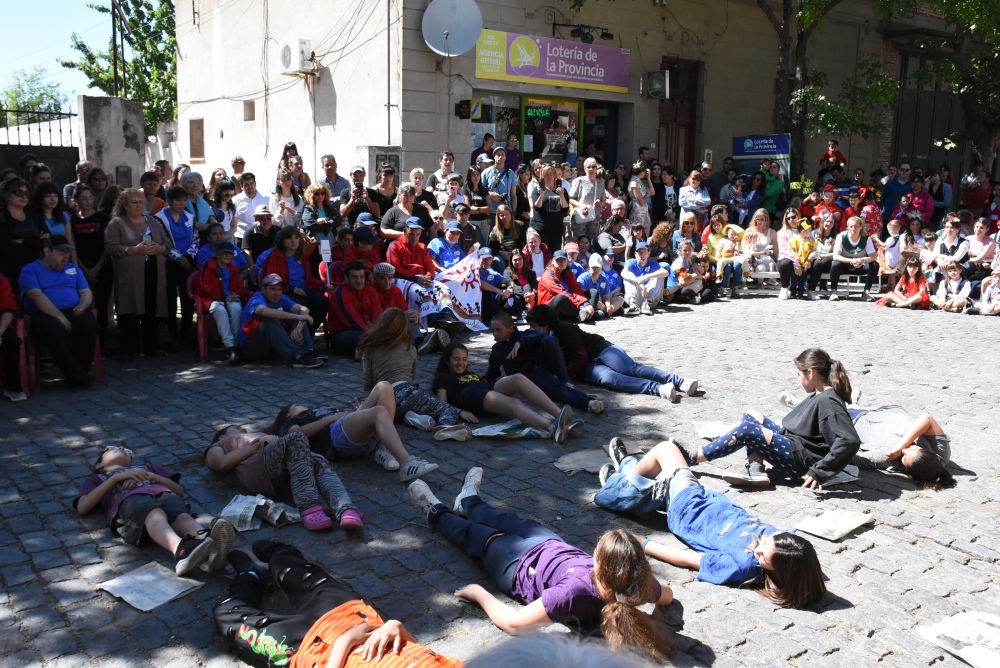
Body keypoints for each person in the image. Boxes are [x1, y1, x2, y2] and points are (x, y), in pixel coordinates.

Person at [406, 474, 672, 661]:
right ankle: (468, 500)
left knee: (474, 533)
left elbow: (514, 624)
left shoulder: (572, 593)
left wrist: (478, 593)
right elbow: (668, 595)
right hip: (548, 544)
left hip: (517, 564)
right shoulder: (637, 585)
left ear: (599, 565)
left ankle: (435, 511)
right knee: (501, 518)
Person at [594, 439, 826, 608]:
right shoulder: (786, 544)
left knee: (666, 449)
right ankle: (626, 475)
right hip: (709, 499)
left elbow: (687, 559)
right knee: (658, 467)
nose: (757, 549)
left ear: (776, 571)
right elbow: (802, 563)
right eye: (766, 540)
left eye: (762, 557)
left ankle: (621, 481)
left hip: (688, 510)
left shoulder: (741, 565)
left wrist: (641, 542)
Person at [213, 540, 461, 668]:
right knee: (287, 566)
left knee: (225, 614)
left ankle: (251, 575)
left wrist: (345, 642)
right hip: (349, 618)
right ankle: (278, 554)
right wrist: (398, 628)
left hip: (306, 651)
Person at [679, 348, 860, 490]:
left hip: (800, 460)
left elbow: (849, 441)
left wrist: (819, 471)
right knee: (751, 415)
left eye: (799, 375)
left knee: (747, 430)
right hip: (794, 444)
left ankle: (693, 457)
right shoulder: (821, 393)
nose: (798, 380)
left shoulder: (829, 401)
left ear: (810, 373)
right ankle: (756, 469)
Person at [75, 444, 234, 576]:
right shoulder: (98, 478)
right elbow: (83, 506)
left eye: (128, 452)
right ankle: (180, 550)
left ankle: (208, 544)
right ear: (99, 465)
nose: (122, 447)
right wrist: (115, 479)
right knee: (154, 513)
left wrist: (152, 476)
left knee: (182, 516)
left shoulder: (147, 467)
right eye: (111, 448)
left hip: (164, 494)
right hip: (132, 501)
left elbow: (178, 491)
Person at [271, 383, 439, 482]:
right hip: (333, 435)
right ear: (288, 413)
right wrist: (330, 419)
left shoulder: (316, 411)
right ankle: (407, 464)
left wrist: (359, 413)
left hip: (344, 425)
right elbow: (295, 435)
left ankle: (382, 450)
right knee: (379, 411)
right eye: (297, 404)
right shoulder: (292, 421)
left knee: (384, 387)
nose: (302, 405)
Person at [526, 304, 696, 401]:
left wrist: (567, 376)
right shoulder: (542, 339)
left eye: (534, 326)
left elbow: (580, 355)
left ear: (546, 324)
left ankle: (679, 381)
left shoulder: (563, 329)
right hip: (586, 368)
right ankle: (659, 389)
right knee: (611, 380)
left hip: (600, 350)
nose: (531, 330)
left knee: (631, 369)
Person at [206, 428, 361, 531]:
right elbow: (221, 463)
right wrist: (255, 446)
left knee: (317, 460)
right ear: (222, 436)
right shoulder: (218, 445)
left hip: (287, 470)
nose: (243, 430)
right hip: (260, 465)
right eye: (237, 428)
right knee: (297, 438)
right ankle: (309, 506)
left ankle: (345, 509)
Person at [357, 308, 469, 441]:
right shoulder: (408, 346)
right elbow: (411, 375)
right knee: (447, 410)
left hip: (382, 399)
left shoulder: (370, 348)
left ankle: (409, 416)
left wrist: (368, 405)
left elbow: (368, 383)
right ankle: (444, 426)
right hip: (404, 390)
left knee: (395, 412)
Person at [433, 342, 574, 443]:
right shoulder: (442, 378)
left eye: (464, 359)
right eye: (456, 359)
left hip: (485, 388)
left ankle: (559, 415)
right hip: (472, 397)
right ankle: (551, 426)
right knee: (514, 403)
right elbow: (441, 404)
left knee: (518, 378)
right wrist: (460, 412)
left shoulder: (470, 373)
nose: (461, 363)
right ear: (447, 361)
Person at [485, 312, 603, 414]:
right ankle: (588, 402)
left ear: (510, 329)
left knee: (549, 340)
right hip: (526, 377)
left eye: (498, 330)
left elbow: (541, 334)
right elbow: (492, 372)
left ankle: (565, 380)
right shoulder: (497, 349)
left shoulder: (523, 335)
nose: (494, 333)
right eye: (492, 330)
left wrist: (521, 342)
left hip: (540, 367)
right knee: (556, 389)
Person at [19, 236, 97, 389]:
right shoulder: (30, 270)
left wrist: (83, 304)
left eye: (67, 252)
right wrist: (60, 317)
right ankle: (79, 377)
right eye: (61, 252)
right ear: (47, 251)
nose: (66, 256)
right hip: (44, 313)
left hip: (73, 310)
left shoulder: (73, 269)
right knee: (54, 329)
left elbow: (85, 291)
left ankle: (77, 375)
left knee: (87, 324)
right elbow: (36, 296)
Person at [106, 188, 173, 356]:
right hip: (130, 276)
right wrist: (133, 250)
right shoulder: (117, 223)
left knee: (152, 309)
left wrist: (161, 248)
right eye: (134, 202)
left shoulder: (153, 222)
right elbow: (110, 247)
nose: (138, 206)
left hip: (153, 273)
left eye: (140, 202)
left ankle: (151, 348)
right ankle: (129, 349)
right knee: (130, 311)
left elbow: (167, 244)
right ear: (125, 205)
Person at [844, 407, 955, 489]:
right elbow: (927, 418)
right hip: (890, 411)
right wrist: (902, 445)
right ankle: (856, 405)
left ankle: (852, 406)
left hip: (856, 420)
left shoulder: (887, 459)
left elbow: (848, 457)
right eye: (912, 448)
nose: (905, 450)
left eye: (904, 457)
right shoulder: (941, 454)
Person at [238, 273, 324, 368]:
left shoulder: (281, 298)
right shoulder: (257, 297)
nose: (277, 293)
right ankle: (298, 356)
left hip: (271, 347)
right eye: (273, 289)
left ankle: (309, 351)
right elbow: (264, 311)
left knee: (297, 313)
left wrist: (299, 325)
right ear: (263, 289)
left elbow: (303, 309)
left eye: (280, 289)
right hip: (250, 349)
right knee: (270, 320)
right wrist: (298, 317)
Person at [259, 227, 328, 333]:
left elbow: (308, 279)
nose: (293, 241)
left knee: (322, 302)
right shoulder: (274, 256)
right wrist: (291, 289)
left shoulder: (302, 256)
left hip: (304, 289)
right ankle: (300, 336)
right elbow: (268, 280)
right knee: (301, 306)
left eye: (296, 237)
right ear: (282, 241)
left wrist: (323, 284)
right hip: (285, 292)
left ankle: (308, 333)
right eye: (289, 238)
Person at [194, 242, 249, 364]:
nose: (227, 256)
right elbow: (206, 288)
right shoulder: (207, 266)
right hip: (211, 299)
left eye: (229, 254)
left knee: (236, 309)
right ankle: (230, 346)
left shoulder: (233, 268)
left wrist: (237, 294)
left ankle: (235, 345)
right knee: (220, 310)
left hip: (228, 298)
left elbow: (239, 285)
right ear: (217, 254)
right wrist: (224, 297)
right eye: (224, 253)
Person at [327, 260, 381, 357]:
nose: (359, 280)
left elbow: (377, 312)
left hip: (370, 330)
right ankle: (371, 350)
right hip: (344, 332)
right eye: (354, 277)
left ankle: (366, 351)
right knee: (356, 337)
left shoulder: (370, 290)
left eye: (362, 277)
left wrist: (378, 328)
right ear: (346, 278)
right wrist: (372, 333)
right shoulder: (340, 293)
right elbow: (352, 320)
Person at [0, 178, 45, 293]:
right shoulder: (2, 217)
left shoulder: (33, 215)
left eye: (26, 193)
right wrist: (36, 242)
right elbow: (6, 246)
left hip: (37, 268)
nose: (24, 197)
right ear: (7, 195)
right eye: (19, 192)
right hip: (12, 271)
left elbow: (47, 240)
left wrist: (23, 241)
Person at [536, 250, 595, 322]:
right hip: (548, 309)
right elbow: (561, 292)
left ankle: (586, 314)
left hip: (568, 305)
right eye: (559, 260)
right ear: (553, 261)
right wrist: (581, 306)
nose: (562, 262)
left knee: (593, 292)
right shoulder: (548, 274)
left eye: (564, 260)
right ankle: (584, 315)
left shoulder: (567, 273)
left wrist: (586, 304)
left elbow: (576, 290)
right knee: (560, 298)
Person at [829, 216, 878, 301]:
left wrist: (862, 260)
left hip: (860, 264)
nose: (853, 229)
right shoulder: (841, 236)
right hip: (845, 264)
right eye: (851, 226)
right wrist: (851, 261)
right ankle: (833, 291)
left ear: (860, 227)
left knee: (875, 265)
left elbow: (874, 256)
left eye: (856, 226)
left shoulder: (866, 238)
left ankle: (866, 291)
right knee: (835, 264)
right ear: (848, 227)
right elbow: (835, 256)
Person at [621, 242, 670, 314]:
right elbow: (623, 273)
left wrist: (647, 276)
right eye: (640, 252)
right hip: (636, 295)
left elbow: (666, 273)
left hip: (650, 296)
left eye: (644, 252)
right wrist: (640, 283)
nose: (642, 255)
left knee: (659, 276)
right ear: (635, 254)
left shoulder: (653, 263)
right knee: (628, 277)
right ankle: (633, 305)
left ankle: (647, 303)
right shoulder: (630, 262)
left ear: (648, 254)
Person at [529, 164, 568, 252]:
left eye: (551, 174)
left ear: (555, 175)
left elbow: (565, 208)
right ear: (543, 176)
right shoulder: (537, 190)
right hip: (542, 229)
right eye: (546, 174)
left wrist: (561, 195)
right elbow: (537, 207)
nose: (549, 177)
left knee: (555, 253)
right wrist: (541, 194)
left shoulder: (562, 190)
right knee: (542, 253)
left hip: (556, 229)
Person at [0, 272, 25, 401]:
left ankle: (12, 388)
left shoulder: (2, 280)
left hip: (1, 325)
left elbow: (9, 310)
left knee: (11, 342)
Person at [568, 157, 605, 242]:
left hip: (594, 218)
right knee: (579, 243)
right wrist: (581, 206)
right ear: (585, 169)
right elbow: (570, 198)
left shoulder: (601, 183)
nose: (591, 169)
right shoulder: (579, 181)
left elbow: (604, 202)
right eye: (589, 167)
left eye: (593, 167)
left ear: (596, 168)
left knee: (592, 243)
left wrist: (600, 204)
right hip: (580, 218)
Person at [578, 252, 624, 318]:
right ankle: (609, 311)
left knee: (620, 299)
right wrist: (605, 307)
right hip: (590, 302)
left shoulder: (604, 279)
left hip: (602, 302)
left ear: (601, 268)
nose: (595, 269)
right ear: (589, 266)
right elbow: (583, 296)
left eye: (597, 267)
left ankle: (607, 311)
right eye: (593, 267)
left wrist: (608, 305)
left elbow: (606, 296)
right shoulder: (582, 279)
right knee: (595, 299)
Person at [671, 239, 713, 304]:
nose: (687, 252)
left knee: (713, 286)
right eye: (685, 250)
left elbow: (701, 273)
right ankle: (700, 297)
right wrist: (695, 276)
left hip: (689, 286)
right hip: (677, 290)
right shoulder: (680, 262)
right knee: (686, 290)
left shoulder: (690, 260)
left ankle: (696, 298)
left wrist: (698, 268)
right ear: (680, 251)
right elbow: (683, 282)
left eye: (689, 249)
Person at [481, 146, 517, 218]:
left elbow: (513, 195)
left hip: (506, 212)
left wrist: (513, 211)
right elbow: (479, 190)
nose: (500, 157)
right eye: (498, 154)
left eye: (502, 154)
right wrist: (490, 194)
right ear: (494, 157)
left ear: (505, 157)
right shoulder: (486, 172)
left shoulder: (511, 173)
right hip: (491, 212)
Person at [233, 173, 270, 242]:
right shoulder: (235, 201)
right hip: (242, 238)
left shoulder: (266, 198)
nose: (250, 186)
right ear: (241, 186)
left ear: (255, 184)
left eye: (251, 183)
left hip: (262, 237)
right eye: (246, 185)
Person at [786, 220, 817, 300]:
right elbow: (789, 249)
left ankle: (801, 292)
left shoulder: (810, 241)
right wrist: (794, 256)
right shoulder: (794, 240)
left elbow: (814, 250)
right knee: (793, 279)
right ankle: (793, 292)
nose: (810, 232)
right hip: (796, 263)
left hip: (805, 263)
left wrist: (810, 258)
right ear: (803, 231)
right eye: (809, 230)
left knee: (802, 279)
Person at [627, 161, 653, 234]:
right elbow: (640, 201)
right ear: (642, 172)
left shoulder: (639, 181)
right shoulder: (634, 183)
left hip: (644, 210)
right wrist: (647, 194)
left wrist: (648, 178)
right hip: (637, 211)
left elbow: (653, 192)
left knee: (646, 235)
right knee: (637, 233)